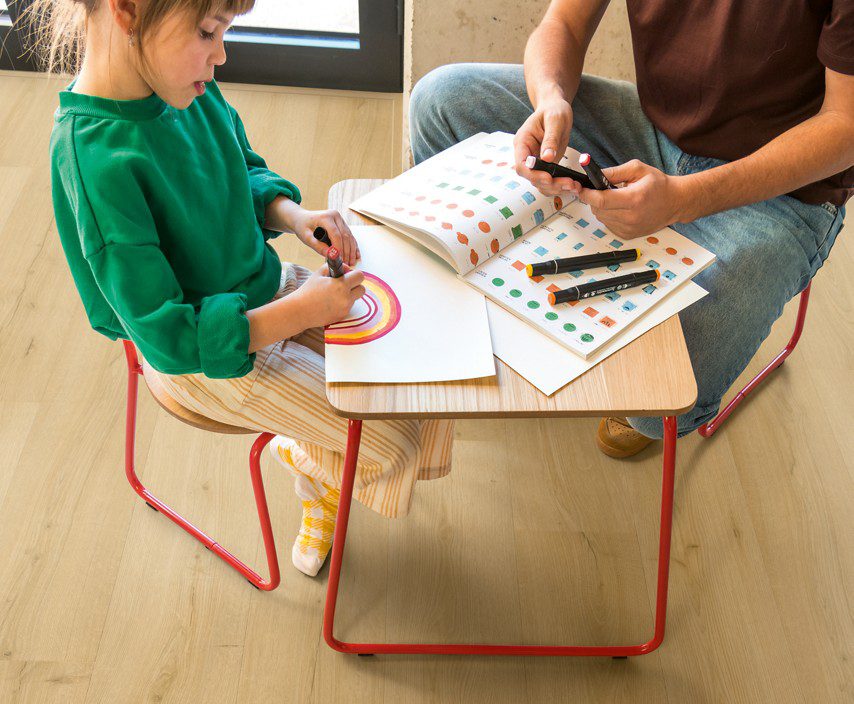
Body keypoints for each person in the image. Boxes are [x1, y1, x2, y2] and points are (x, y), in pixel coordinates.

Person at [42, 0, 453, 576]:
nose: (221, 54)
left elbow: (241, 169)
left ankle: (324, 457)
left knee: (428, 379)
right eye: (208, 32)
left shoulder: (184, 83)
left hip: (268, 288)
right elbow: (171, 340)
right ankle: (310, 466)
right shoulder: (96, 159)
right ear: (128, 10)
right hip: (213, 361)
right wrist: (302, 311)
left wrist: (293, 216)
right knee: (393, 445)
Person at [410, 0, 852, 457]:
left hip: (783, 191)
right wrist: (550, 97)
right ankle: (499, 307)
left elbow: (847, 124)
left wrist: (685, 199)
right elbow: (564, 23)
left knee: (656, 398)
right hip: (653, 131)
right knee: (441, 101)